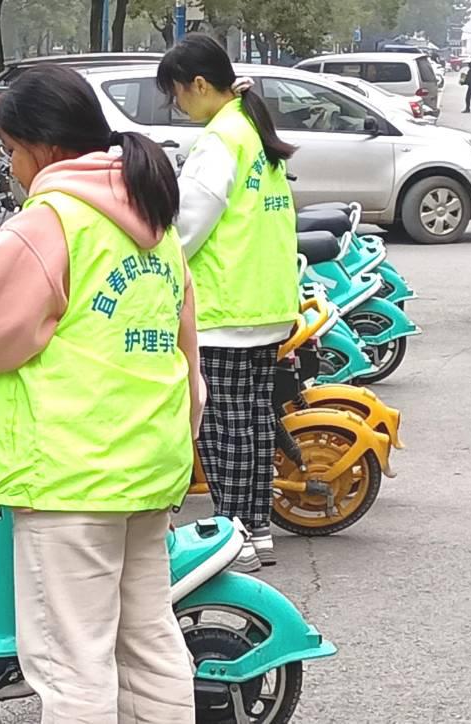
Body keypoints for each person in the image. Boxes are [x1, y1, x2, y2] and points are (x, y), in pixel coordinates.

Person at [0, 65, 200, 724]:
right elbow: (185, 348)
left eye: (13, 152)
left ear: (45, 148)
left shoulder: (52, 221)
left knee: (72, 664)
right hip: (149, 463)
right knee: (149, 642)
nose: (14, 169)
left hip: (71, 476)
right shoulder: (150, 217)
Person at [157, 34, 299, 572]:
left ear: (198, 84)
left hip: (225, 305)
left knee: (223, 427)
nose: (177, 104)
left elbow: (187, 225)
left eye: (176, 92)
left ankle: (233, 537)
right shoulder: (251, 129)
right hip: (264, 301)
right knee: (254, 422)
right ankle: (255, 531)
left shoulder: (221, 140)